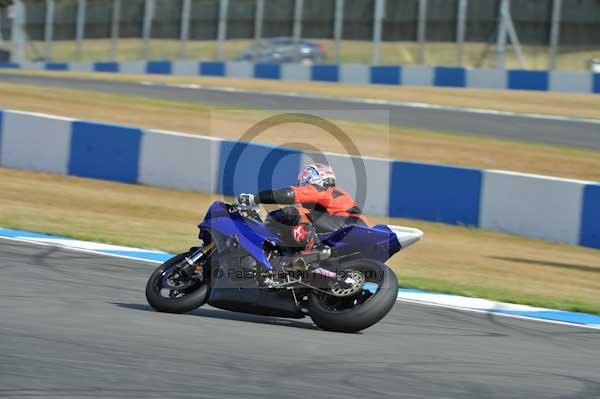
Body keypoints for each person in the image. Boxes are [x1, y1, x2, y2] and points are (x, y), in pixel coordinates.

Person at [237, 163, 369, 253]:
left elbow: (288, 194)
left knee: (291, 213)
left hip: (349, 224)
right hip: (354, 228)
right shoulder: (335, 197)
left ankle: (315, 249)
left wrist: (254, 198)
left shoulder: (321, 189)